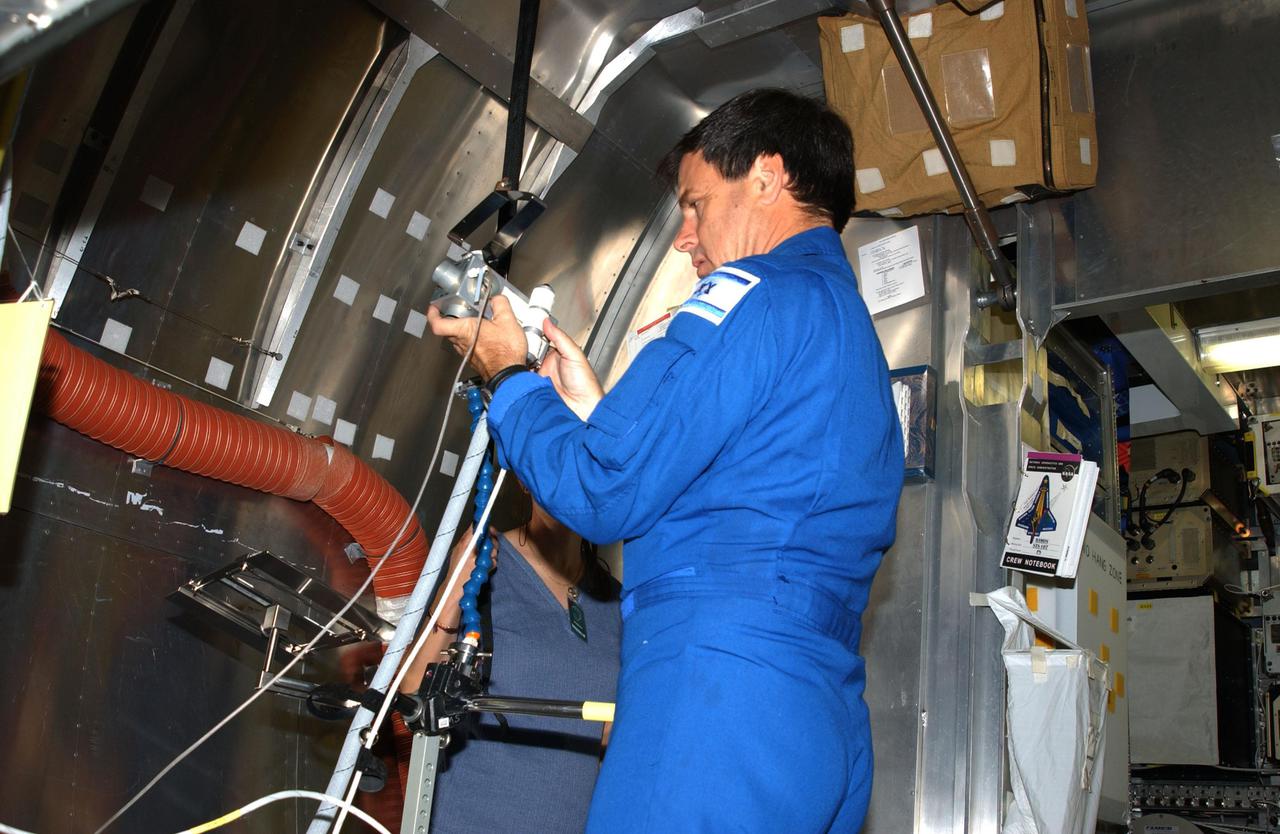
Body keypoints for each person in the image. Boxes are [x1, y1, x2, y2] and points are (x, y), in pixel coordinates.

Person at [428, 88, 903, 833]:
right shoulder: (847, 334)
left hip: (717, 693)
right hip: (819, 710)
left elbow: (601, 489)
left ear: (767, 178)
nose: (686, 237)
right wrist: (592, 415)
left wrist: (507, 376)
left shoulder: (749, 292)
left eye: (695, 203)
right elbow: (730, 477)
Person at [400, 487, 621, 834]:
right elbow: (413, 696)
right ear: (525, 476)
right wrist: (454, 589)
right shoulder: (484, 567)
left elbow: (611, 745)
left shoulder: (616, 604)